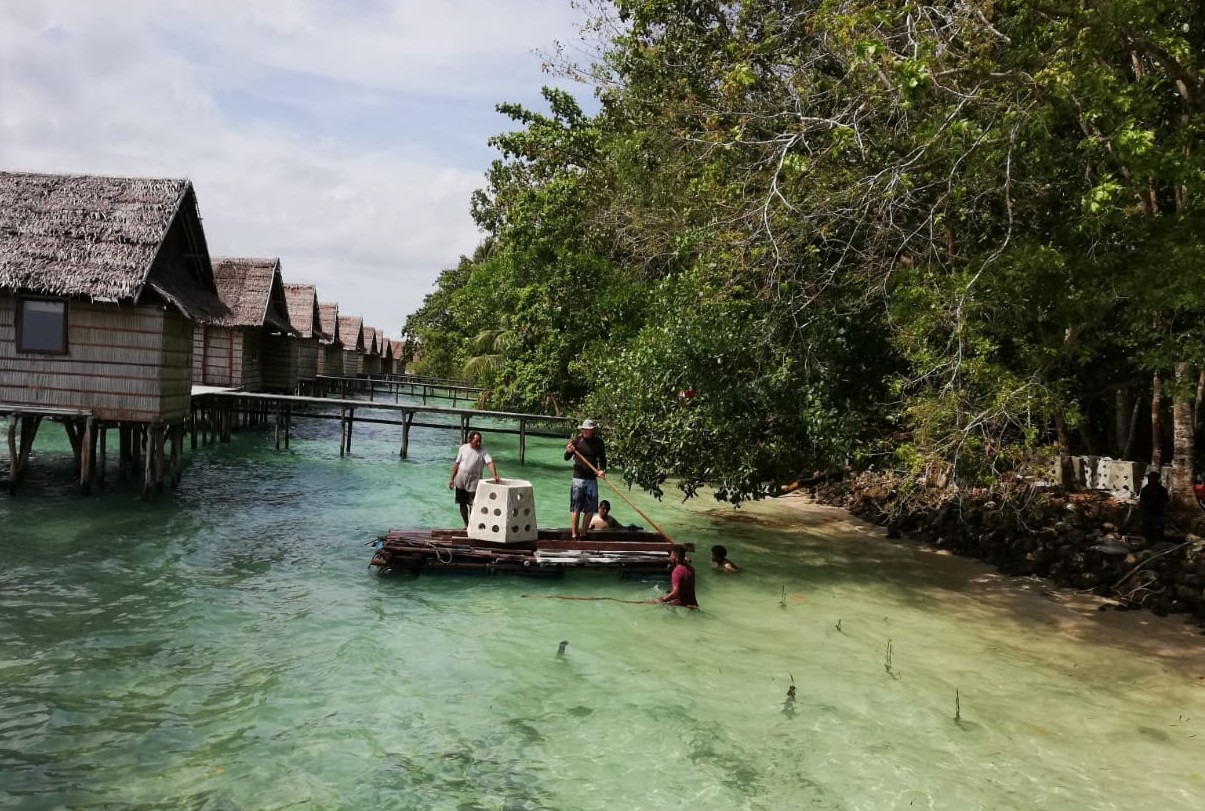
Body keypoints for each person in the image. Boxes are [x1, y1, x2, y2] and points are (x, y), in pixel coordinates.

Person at [565, 418, 606, 540]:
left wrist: (602, 470)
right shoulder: (577, 441)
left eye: (587, 430)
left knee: (590, 508)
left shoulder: (599, 443)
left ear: (593, 431)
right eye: (583, 430)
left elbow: (603, 459)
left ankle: (583, 534)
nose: (585, 432)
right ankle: (574, 535)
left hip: (591, 479)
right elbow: (566, 457)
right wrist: (569, 451)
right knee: (576, 507)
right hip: (578, 479)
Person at [449, 431, 499, 527]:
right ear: (470, 440)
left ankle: (473, 525)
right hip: (461, 480)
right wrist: (451, 479)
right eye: (476, 441)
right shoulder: (463, 448)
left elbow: (489, 462)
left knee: (474, 505)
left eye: (479, 441)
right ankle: (466, 525)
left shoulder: (483, 450)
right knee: (462, 504)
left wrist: (494, 475)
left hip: (474, 482)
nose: (478, 443)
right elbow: (457, 464)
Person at [1138, 470, 1170, 544]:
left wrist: (1165, 516)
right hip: (1147, 515)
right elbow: (1141, 502)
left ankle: (1157, 546)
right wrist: (1141, 515)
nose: (1151, 480)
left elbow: (1166, 503)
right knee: (1147, 533)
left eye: (1153, 478)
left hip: (1158, 515)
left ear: (1157, 479)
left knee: (1158, 534)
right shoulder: (1145, 490)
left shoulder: (1162, 490)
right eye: (1150, 478)